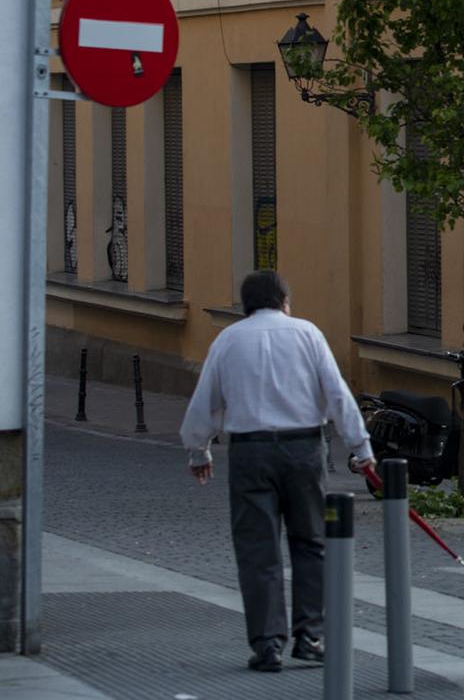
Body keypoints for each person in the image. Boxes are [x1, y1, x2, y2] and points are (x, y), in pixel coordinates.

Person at [180, 269, 375, 672]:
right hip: (303, 449)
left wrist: (199, 451)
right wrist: (361, 447)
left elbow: (206, 404)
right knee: (311, 543)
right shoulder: (307, 334)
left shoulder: (227, 340)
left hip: (249, 454)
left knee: (257, 551)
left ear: (245, 304)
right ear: (285, 301)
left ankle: (267, 644)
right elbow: (337, 393)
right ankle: (310, 636)